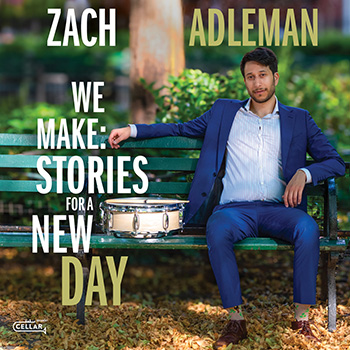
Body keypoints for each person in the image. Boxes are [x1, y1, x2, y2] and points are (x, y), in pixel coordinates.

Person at [108, 47, 345, 348]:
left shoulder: (298, 119)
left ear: (275, 77)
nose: (257, 83)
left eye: (262, 76)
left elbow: (335, 161)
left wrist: (304, 174)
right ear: (244, 81)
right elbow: (180, 128)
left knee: (308, 228)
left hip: (279, 210)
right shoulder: (224, 113)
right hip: (235, 210)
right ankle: (236, 320)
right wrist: (132, 129)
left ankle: (301, 320)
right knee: (217, 229)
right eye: (250, 77)